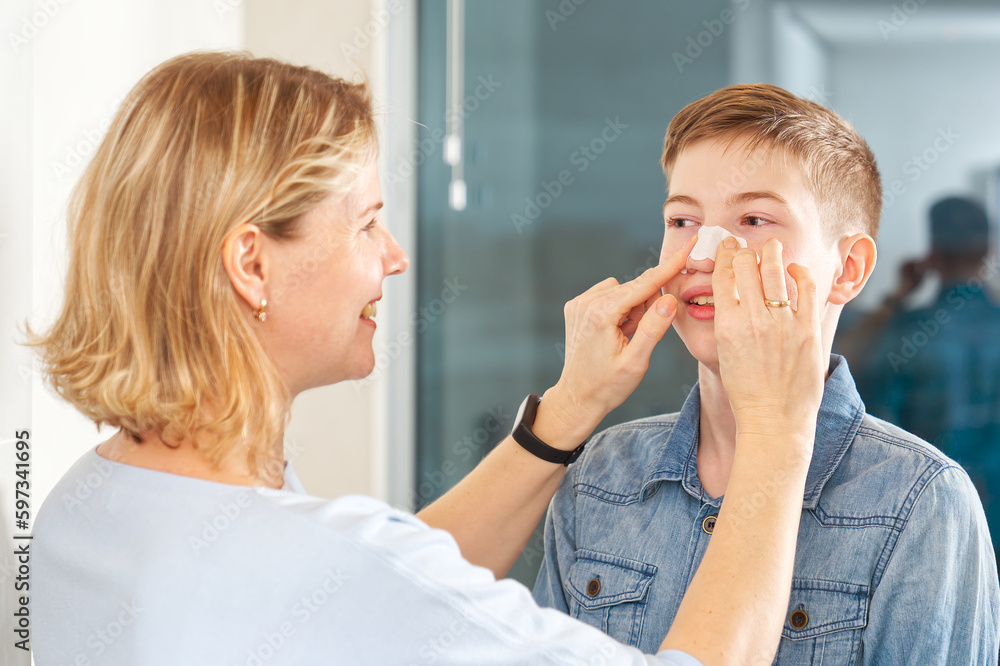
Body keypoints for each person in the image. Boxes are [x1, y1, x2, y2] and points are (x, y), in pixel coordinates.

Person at [27, 53, 827, 666]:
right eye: (367, 223)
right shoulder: (312, 556)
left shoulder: (85, 504)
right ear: (250, 263)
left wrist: (566, 413)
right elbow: (372, 584)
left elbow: (364, 600)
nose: (396, 256)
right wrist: (779, 431)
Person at [533, 84, 1000, 664]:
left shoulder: (922, 503)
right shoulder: (599, 475)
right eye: (681, 219)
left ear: (848, 269)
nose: (703, 253)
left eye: (753, 218)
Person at [840, 195, 1000, 567]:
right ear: (988, 248)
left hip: (927, 509)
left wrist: (897, 296)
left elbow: (841, 364)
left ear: (932, 253)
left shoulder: (906, 331)